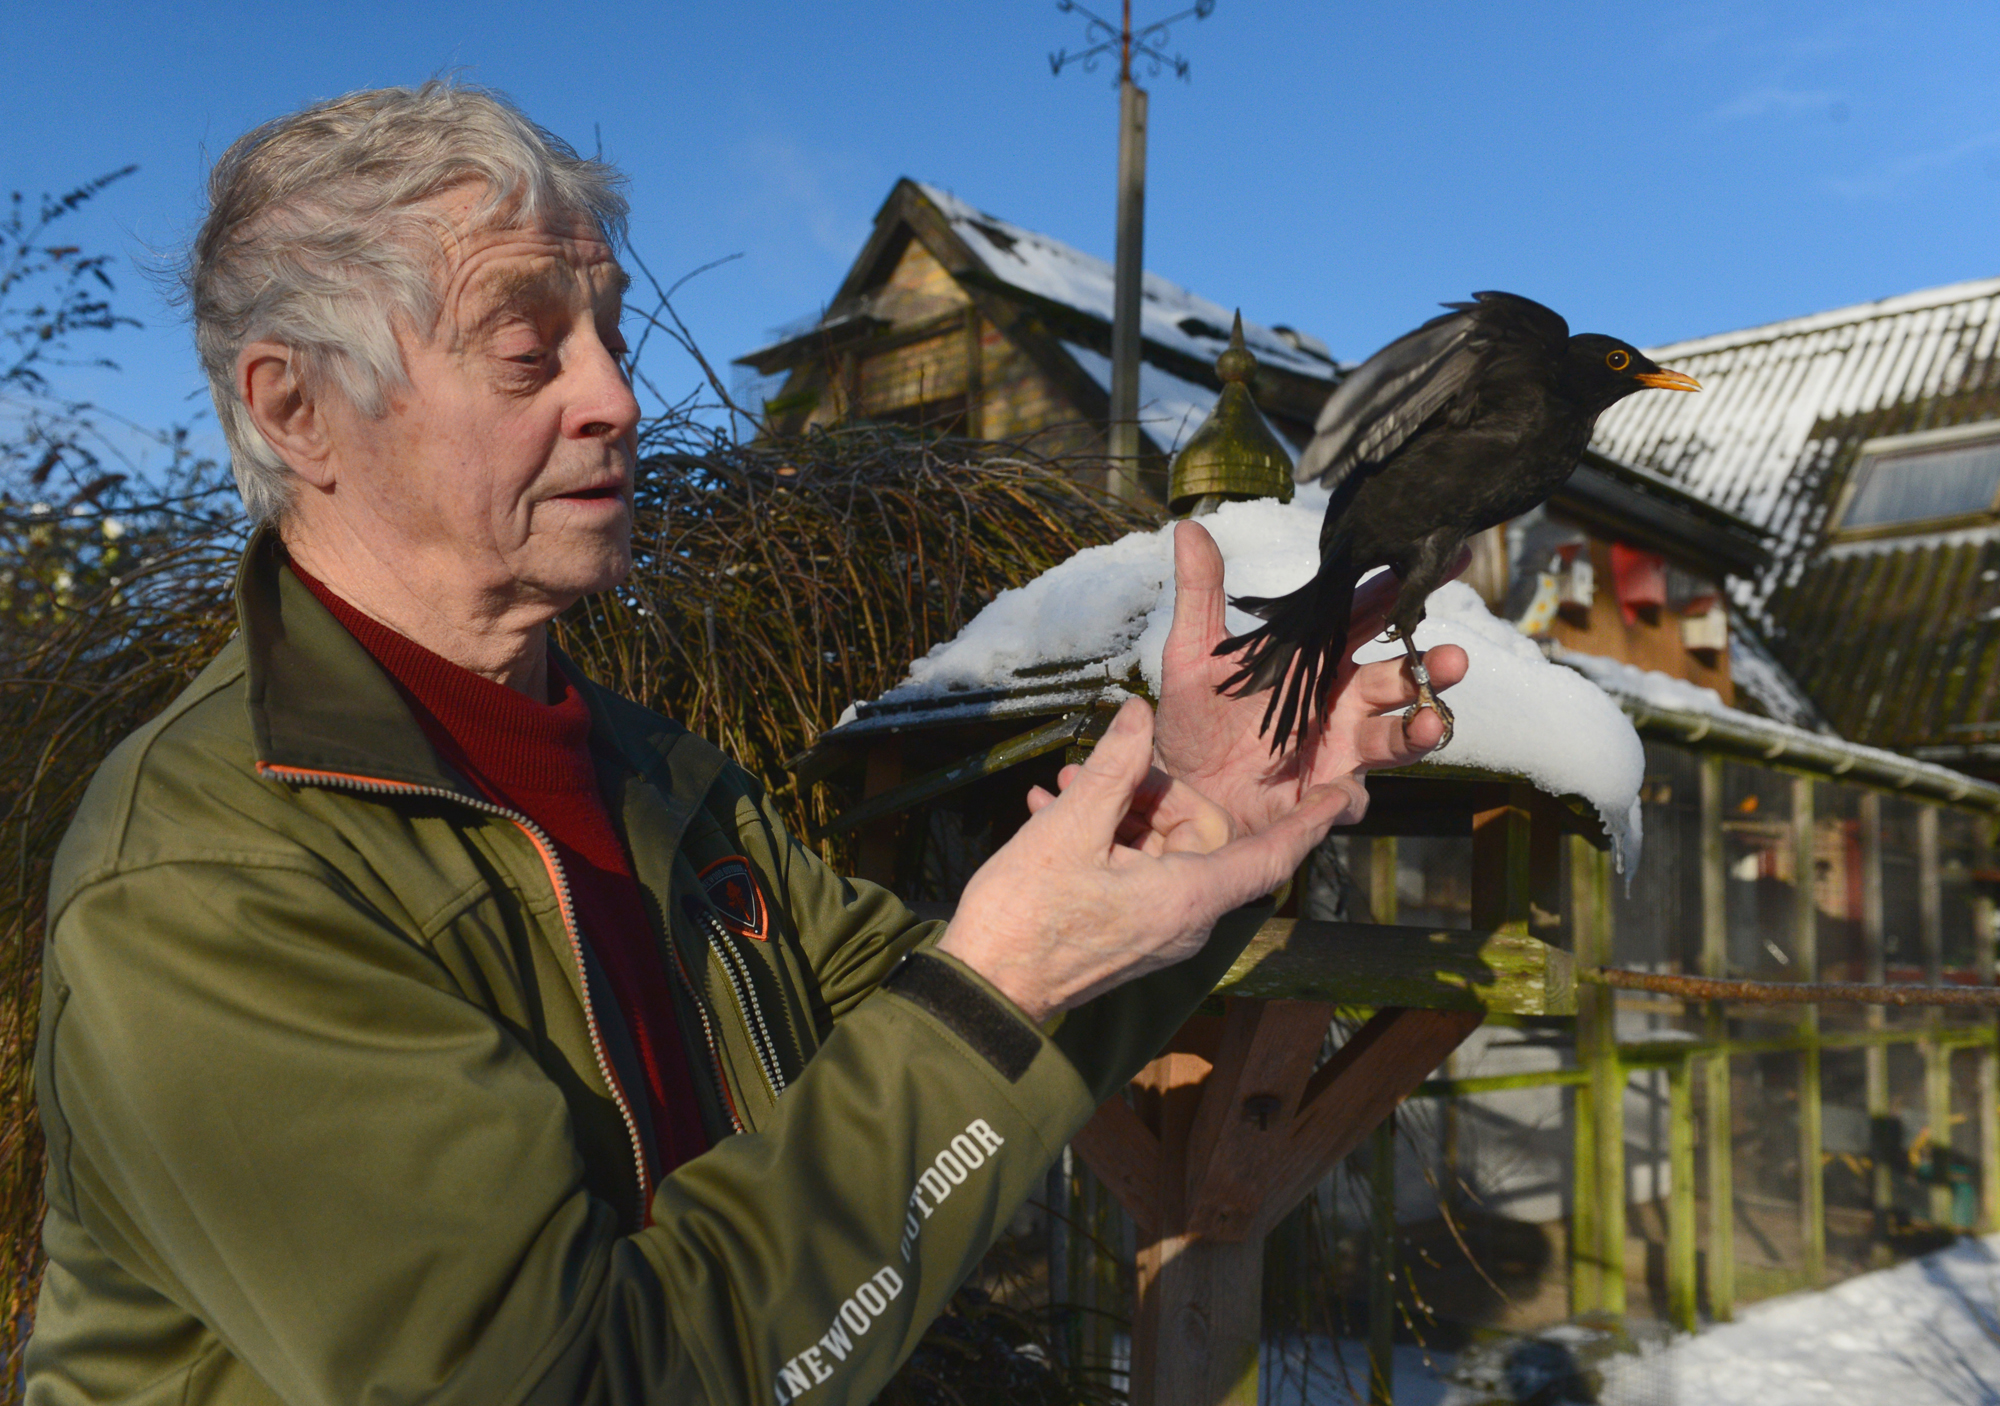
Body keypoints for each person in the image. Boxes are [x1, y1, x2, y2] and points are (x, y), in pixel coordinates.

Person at [27, 83, 1465, 1406]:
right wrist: (998, 987)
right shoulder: (206, 873)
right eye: (531, 350)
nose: (618, 397)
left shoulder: (658, 779)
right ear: (298, 409)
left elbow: (936, 1048)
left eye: (612, 334)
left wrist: (1190, 813)